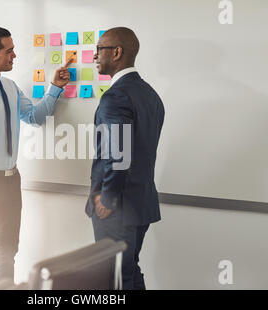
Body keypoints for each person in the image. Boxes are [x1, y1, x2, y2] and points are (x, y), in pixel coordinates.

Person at [0, 26, 71, 280]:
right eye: (9, 51)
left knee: (8, 250)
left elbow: (34, 117)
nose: (14, 55)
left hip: (11, 180)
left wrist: (55, 87)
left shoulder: (9, 86)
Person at [85, 27, 165, 290]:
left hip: (117, 209)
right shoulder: (150, 94)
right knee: (128, 272)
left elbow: (116, 155)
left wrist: (106, 198)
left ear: (117, 52)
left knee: (113, 278)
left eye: (99, 49)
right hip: (140, 204)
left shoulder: (116, 96)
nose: (95, 55)